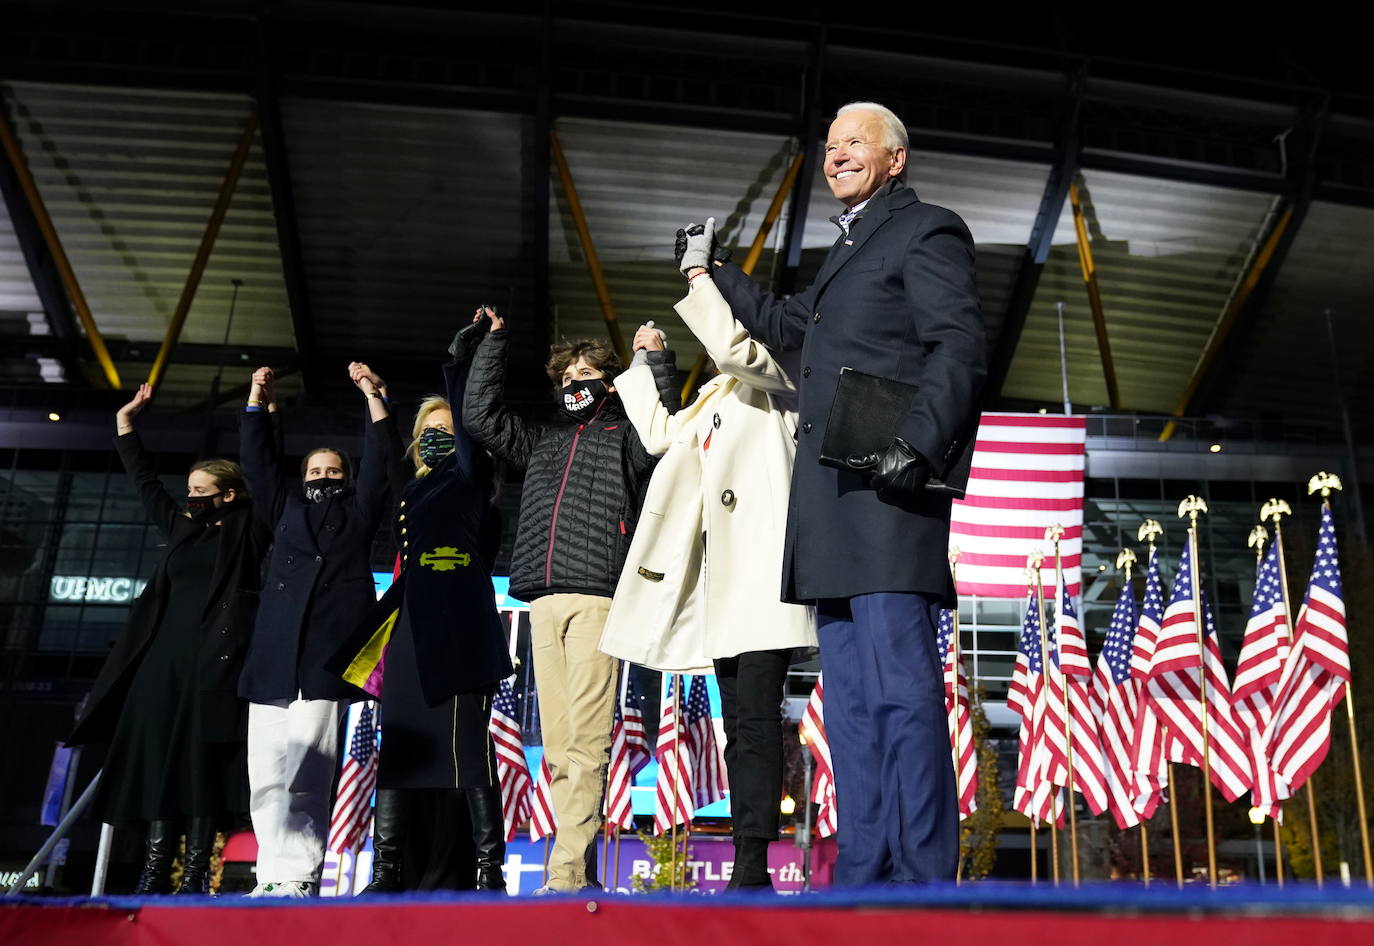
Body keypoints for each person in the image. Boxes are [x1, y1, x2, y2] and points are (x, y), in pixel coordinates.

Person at [703, 101, 986, 885]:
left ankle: (925, 874)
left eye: (854, 143)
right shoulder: (845, 250)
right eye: (829, 147)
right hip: (829, 501)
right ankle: (864, 869)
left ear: (897, 158)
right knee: (852, 708)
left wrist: (920, 441)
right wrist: (714, 268)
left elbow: (958, 345)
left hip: (891, 493)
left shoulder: (928, 228)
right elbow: (785, 324)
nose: (837, 156)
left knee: (902, 692)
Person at [599, 266, 818, 890]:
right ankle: (749, 854)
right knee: (737, 726)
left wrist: (701, 277)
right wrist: (648, 366)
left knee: (753, 721)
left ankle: (752, 865)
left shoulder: (779, 376)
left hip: (767, 583)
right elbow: (661, 435)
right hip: (725, 590)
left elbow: (732, 349)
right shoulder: (715, 397)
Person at [463, 308, 660, 894]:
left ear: (609, 379)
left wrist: (652, 362)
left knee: (587, 740)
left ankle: (568, 873)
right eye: (568, 375)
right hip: (542, 603)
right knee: (556, 745)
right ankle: (572, 866)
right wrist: (494, 343)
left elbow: (661, 432)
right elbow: (479, 415)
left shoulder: (629, 436)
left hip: (599, 598)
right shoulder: (541, 439)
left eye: (589, 371)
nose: (577, 381)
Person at [67, 383, 271, 895]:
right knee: (160, 761)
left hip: (216, 663)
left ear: (228, 493)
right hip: (163, 661)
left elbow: (267, 480)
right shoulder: (180, 524)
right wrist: (126, 423)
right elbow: (143, 480)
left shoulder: (249, 527)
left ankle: (198, 872)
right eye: (189, 490)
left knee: (201, 766)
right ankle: (156, 871)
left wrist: (261, 413)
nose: (191, 498)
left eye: (202, 491)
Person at [331, 320, 512, 893]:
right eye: (428, 429)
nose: (438, 435)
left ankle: (488, 871)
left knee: (468, 748)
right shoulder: (411, 486)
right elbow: (388, 453)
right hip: (409, 627)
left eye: (447, 428)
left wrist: (460, 361)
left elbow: (466, 418)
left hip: (459, 624)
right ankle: (386, 870)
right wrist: (374, 398)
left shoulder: (471, 476)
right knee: (401, 743)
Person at [235, 362, 395, 897]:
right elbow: (257, 464)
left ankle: (301, 875)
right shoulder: (282, 506)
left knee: (308, 773)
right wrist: (259, 400)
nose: (324, 477)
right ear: (301, 479)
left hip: (324, 657)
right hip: (274, 655)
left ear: (345, 479)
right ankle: (270, 875)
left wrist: (373, 396)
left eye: (333, 472)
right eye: (314, 472)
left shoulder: (361, 508)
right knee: (266, 775)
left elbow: (380, 460)